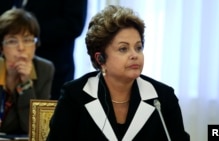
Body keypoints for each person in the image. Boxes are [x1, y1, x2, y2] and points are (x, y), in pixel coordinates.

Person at [46, 5, 190, 141]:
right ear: (100, 58)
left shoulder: (163, 98)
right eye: (123, 49)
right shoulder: (75, 95)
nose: (135, 55)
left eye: (138, 48)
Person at [0, 0, 88, 100]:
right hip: (6, 63)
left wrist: (29, 33)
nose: (21, 47)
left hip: (55, 68)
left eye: (28, 39)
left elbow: (74, 24)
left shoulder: (46, 70)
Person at [0, 8, 54, 134]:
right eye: (12, 41)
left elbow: (39, 130)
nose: (21, 47)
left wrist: (26, 84)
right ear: (1, 47)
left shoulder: (44, 69)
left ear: (36, 44)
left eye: (27, 40)